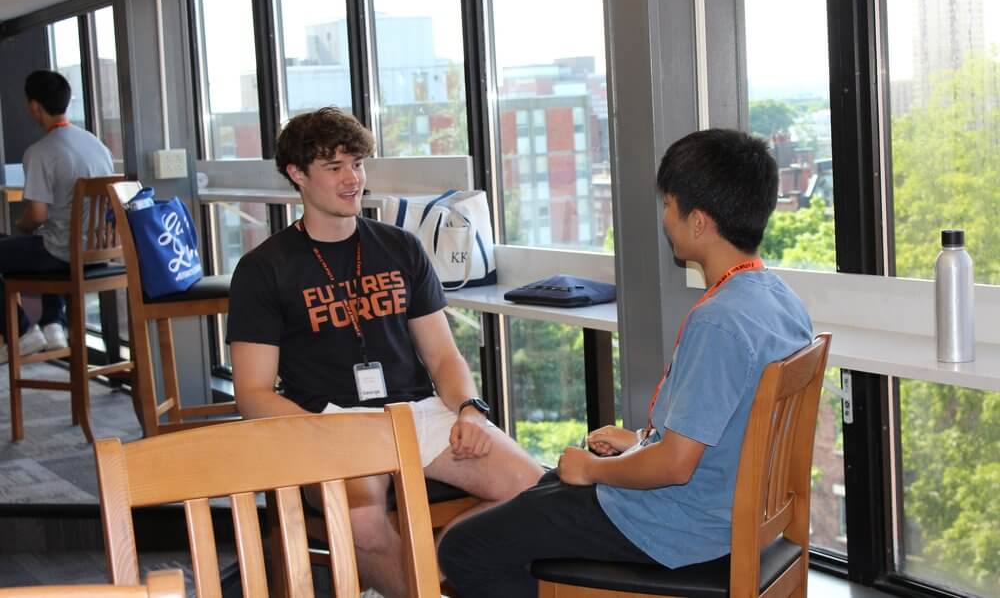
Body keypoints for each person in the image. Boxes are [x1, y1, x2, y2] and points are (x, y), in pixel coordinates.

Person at [438, 128, 814, 598]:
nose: (665, 219)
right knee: (546, 487)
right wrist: (639, 442)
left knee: (465, 547)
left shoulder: (719, 322)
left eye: (668, 206)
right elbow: (730, 428)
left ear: (697, 222)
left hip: (680, 529)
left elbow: (676, 466)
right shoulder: (780, 301)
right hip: (723, 514)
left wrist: (595, 471)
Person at [226, 107, 543, 598]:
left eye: (357, 163)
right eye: (334, 168)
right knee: (365, 523)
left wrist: (470, 411)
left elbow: (443, 357)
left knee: (535, 489)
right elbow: (252, 394)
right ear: (297, 175)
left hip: (415, 411)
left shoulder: (401, 248)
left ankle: (428, 567)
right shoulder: (263, 269)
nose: (353, 179)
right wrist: (326, 435)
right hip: (329, 420)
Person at [0, 70, 114, 363]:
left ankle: (24, 332)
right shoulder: (95, 144)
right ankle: (53, 325)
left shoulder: (40, 151)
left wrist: (21, 226)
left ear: (34, 106)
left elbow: (36, 214)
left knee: (36, 238)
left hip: (63, 253)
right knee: (45, 236)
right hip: (99, 251)